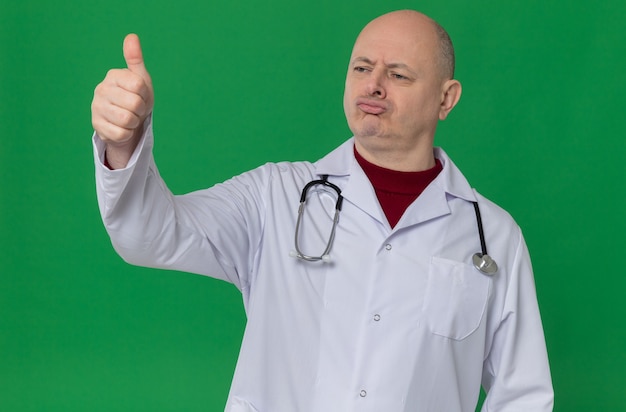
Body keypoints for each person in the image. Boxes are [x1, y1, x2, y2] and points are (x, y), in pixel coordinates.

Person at [91, 9, 553, 412]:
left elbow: (523, 396)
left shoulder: (492, 237)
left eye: (398, 74)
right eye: (361, 67)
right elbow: (147, 236)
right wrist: (123, 142)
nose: (373, 85)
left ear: (445, 98)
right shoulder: (275, 195)